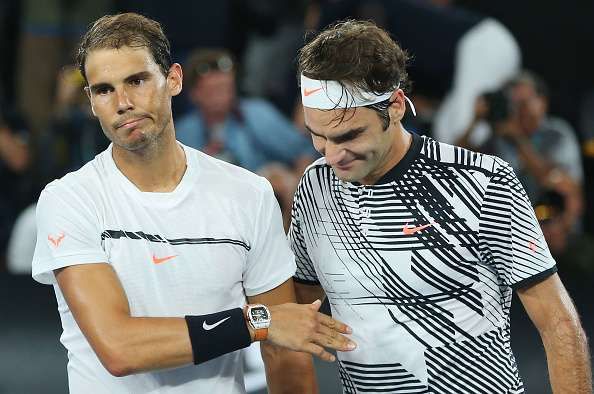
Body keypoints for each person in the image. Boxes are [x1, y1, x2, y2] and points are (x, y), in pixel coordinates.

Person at [31, 13, 355, 394]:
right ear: (90, 100)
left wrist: (270, 325)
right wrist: (257, 322)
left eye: (136, 81)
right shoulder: (69, 199)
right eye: (104, 90)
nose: (122, 103)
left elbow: (285, 351)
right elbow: (119, 348)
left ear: (174, 79)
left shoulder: (248, 193)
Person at [290, 20, 591, 393]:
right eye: (317, 136)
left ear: (395, 106)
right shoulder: (315, 185)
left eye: (350, 135)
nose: (332, 155)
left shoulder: (483, 182)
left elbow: (558, 322)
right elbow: (299, 314)